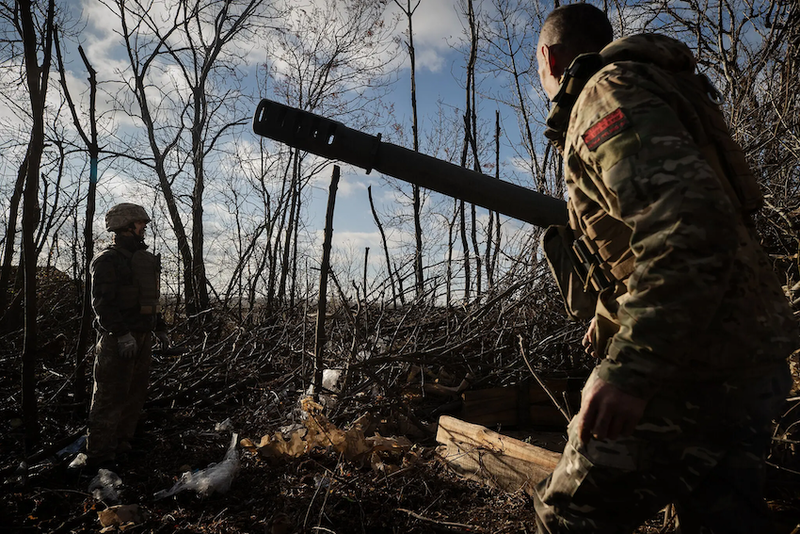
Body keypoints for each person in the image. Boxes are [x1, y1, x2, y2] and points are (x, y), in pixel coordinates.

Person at [533, 4, 797, 533]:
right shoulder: (660, 88)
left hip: (693, 366)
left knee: (564, 519)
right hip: (744, 355)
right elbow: (660, 236)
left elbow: (689, 229)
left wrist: (630, 371)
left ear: (549, 57)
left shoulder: (606, 95)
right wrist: (608, 315)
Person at [70, 202, 170, 471]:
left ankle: (123, 447)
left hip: (142, 336)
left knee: (135, 395)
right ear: (126, 226)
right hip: (117, 339)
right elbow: (102, 304)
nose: (144, 228)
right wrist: (121, 334)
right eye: (140, 223)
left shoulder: (144, 260)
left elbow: (150, 298)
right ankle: (100, 456)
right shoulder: (107, 259)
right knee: (109, 397)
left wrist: (159, 328)